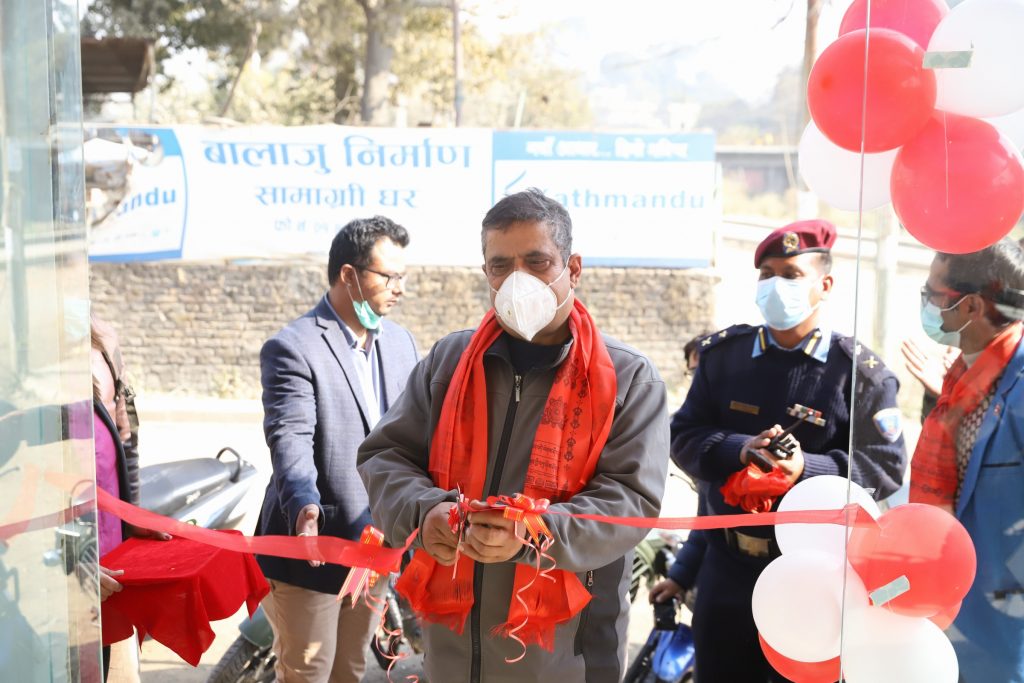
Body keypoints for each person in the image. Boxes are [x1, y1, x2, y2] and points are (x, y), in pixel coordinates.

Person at [357, 188, 669, 683]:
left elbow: (631, 500)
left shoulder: (627, 378)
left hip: (567, 656)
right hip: (452, 652)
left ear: (573, 269)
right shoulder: (450, 363)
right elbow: (385, 455)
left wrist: (535, 534)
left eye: (537, 261)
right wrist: (425, 511)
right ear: (486, 273)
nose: (517, 279)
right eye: (501, 266)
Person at [670, 219, 907, 682]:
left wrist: (806, 469)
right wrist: (739, 449)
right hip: (726, 569)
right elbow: (684, 435)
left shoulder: (858, 374)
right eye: (767, 274)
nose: (776, 285)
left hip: (812, 578)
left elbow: (885, 466)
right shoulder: (723, 356)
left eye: (792, 275)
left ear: (825, 285)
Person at [254, 216, 420, 683]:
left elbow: (414, 435)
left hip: (376, 546)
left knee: (350, 668)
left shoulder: (401, 344)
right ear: (349, 275)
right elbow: (290, 435)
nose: (399, 288)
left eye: (403, 277)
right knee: (309, 670)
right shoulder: (294, 346)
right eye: (388, 276)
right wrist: (303, 505)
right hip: (314, 545)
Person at [908, 238, 1024, 682]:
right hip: (953, 612)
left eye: (933, 295)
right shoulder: (962, 377)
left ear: (972, 306)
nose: (927, 305)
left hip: (1006, 631)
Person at [91, 314, 170, 682]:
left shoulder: (102, 341)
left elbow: (126, 440)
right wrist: (67, 562)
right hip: (51, 571)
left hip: (108, 558)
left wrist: (130, 516)